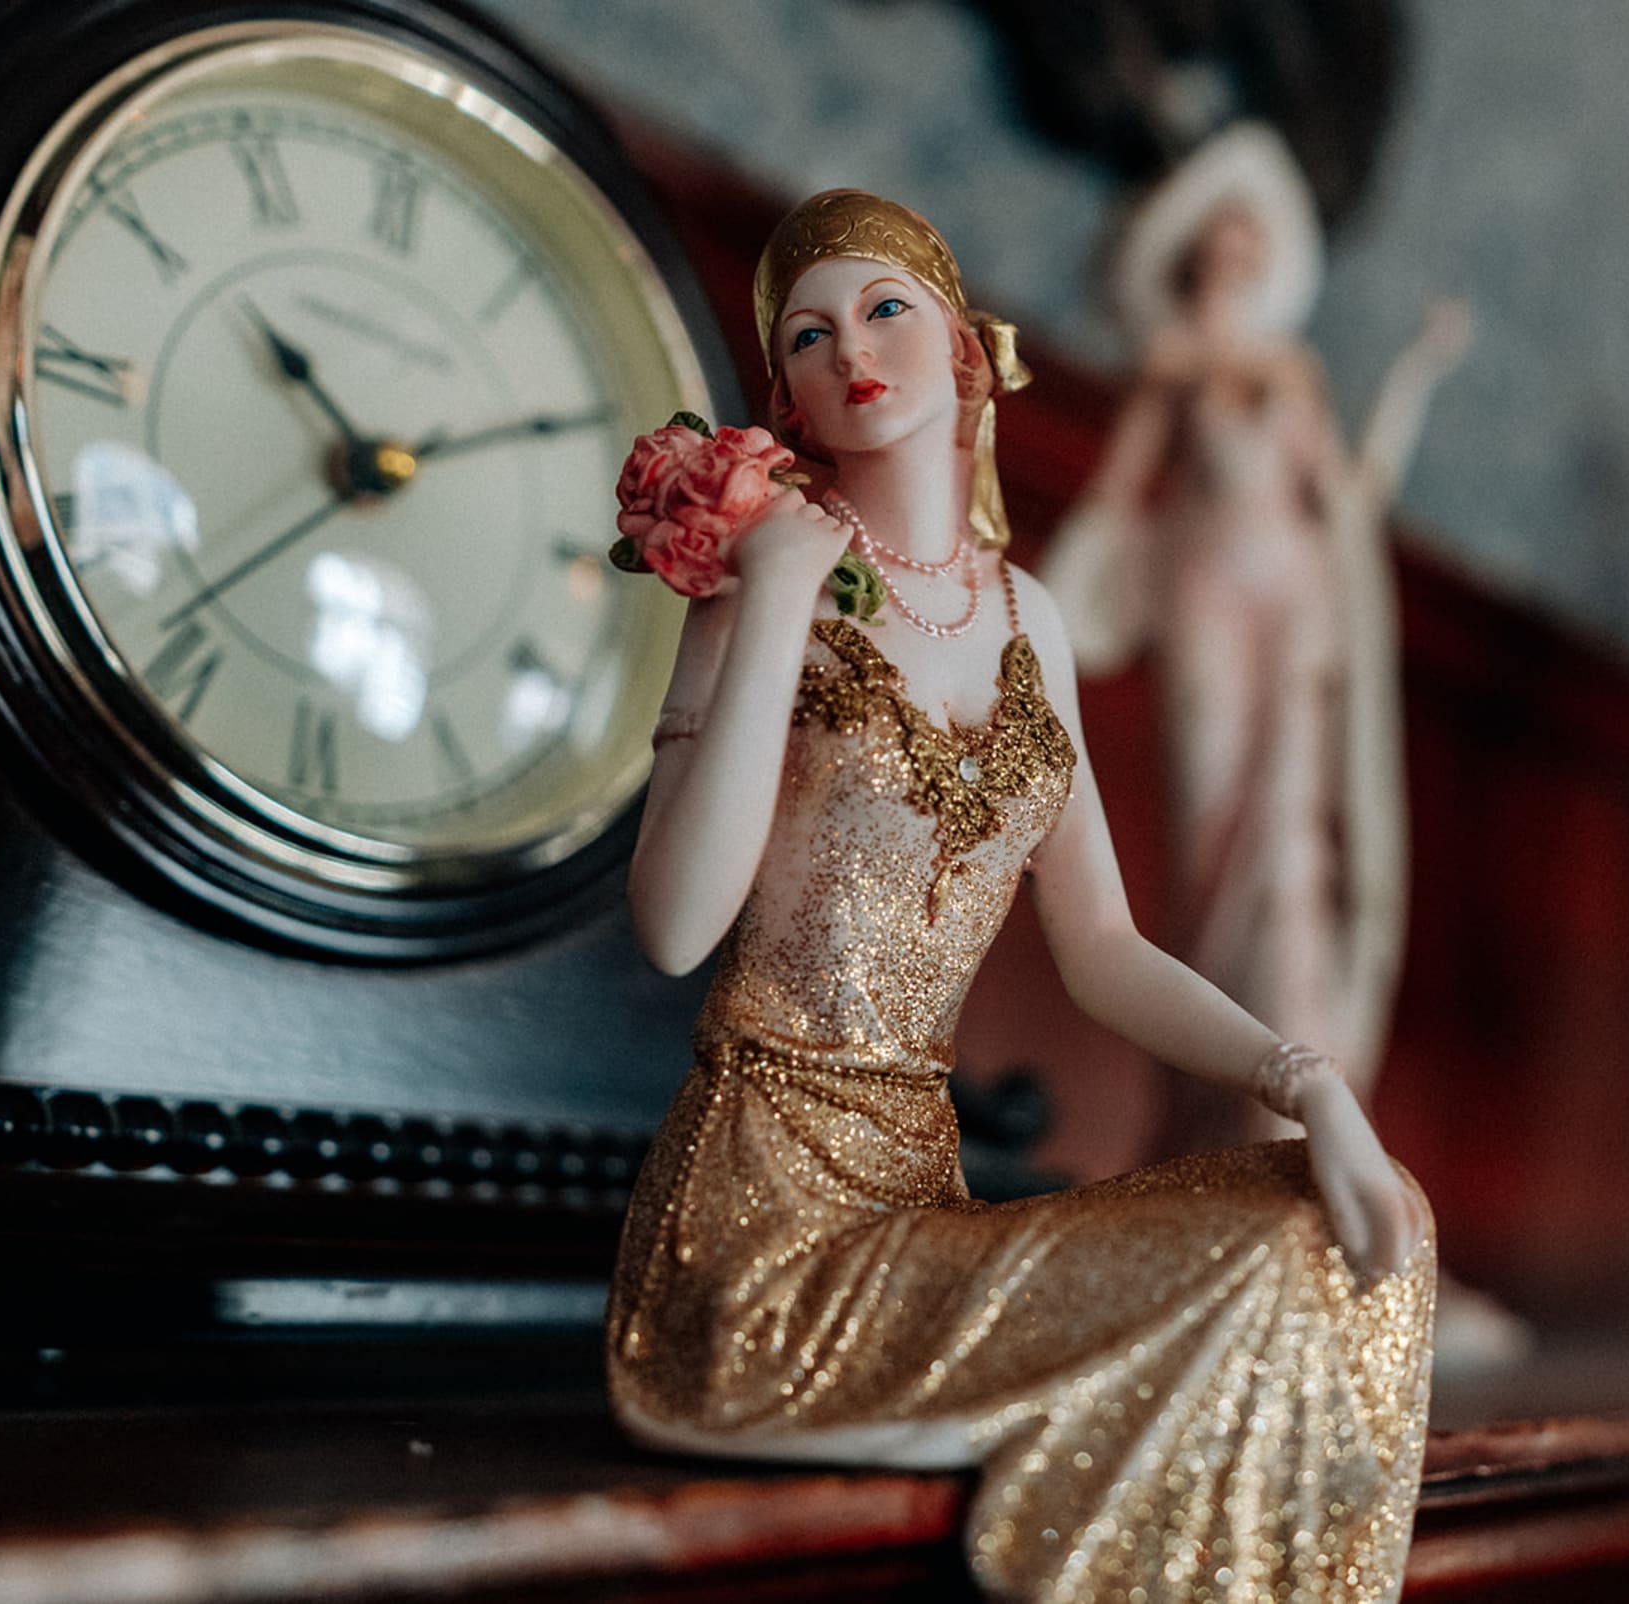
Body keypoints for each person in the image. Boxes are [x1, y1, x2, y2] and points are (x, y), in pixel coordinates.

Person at [606, 188, 1436, 1604]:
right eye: (806, 336)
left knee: (1343, 1233)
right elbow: (675, 928)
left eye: (885, 311)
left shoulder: (1028, 619)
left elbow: (1104, 948)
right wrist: (773, 607)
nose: (849, 350)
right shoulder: (761, 595)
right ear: (786, 399)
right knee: (1266, 1273)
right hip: (759, 1237)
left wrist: (1309, 1084)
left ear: (968, 351)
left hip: (925, 1198)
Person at [1039, 125, 1469, 1147]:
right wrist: (1051, 583)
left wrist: (1416, 375)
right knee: (1210, 829)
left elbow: (1351, 490)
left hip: (1298, 607)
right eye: (1217, 242)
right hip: (1202, 606)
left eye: (1247, 244)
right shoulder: (1175, 365)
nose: (1234, 256)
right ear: (1191, 255)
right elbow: (1117, 486)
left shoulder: (1292, 370)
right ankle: (1212, 1114)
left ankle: (1295, 1102)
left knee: (1290, 838)